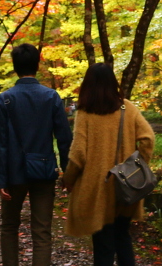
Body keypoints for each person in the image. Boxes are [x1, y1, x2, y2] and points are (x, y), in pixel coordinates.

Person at [63, 64, 156, 266]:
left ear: (88, 85)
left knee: (103, 245)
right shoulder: (128, 108)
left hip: (99, 189)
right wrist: (138, 167)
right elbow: (148, 139)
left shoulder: (85, 113)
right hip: (127, 187)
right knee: (123, 238)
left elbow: (78, 154)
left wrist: (67, 179)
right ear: (112, 82)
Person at [0, 44, 73, 266]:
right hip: (44, 171)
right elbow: (64, 139)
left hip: (13, 173)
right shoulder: (51, 97)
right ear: (38, 64)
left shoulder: (4, 99)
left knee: (9, 226)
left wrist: (0, 179)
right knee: (42, 230)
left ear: (14, 66)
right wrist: (68, 172)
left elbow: (0, 144)